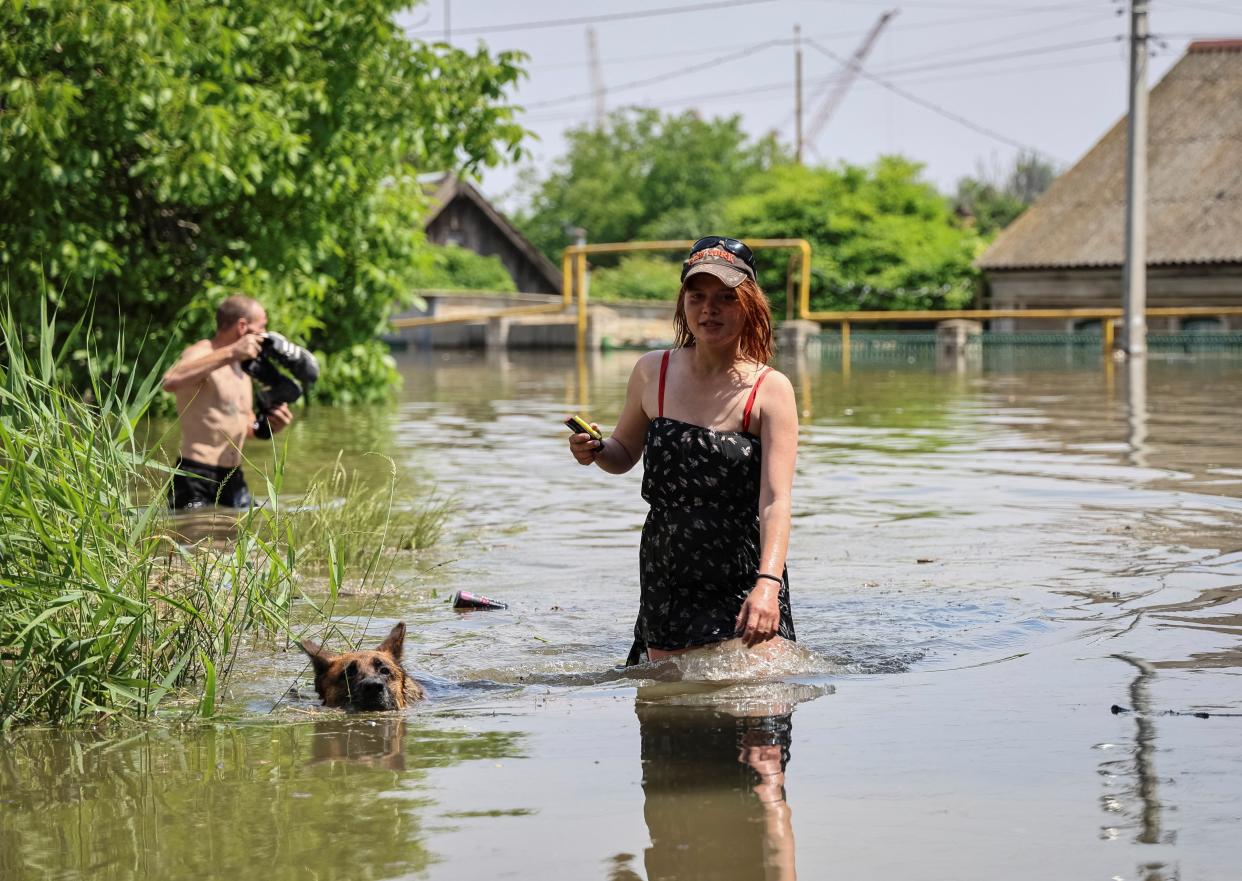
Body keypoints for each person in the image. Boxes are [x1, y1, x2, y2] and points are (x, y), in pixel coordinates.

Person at [568, 236, 799, 665]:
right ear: (683, 303)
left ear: (748, 304)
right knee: (670, 712)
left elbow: (775, 501)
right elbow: (622, 454)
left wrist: (768, 584)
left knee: (762, 714)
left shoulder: (771, 389)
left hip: (744, 569)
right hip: (668, 569)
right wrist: (596, 449)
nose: (709, 309)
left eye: (725, 299)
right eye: (697, 297)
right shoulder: (651, 372)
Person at [162, 295, 294, 509]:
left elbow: (245, 425)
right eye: (262, 327)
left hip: (233, 478)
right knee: (195, 540)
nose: (264, 334)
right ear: (242, 326)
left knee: (236, 541)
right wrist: (232, 352)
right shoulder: (202, 352)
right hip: (195, 475)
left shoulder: (242, 369)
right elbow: (170, 381)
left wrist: (268, 426)